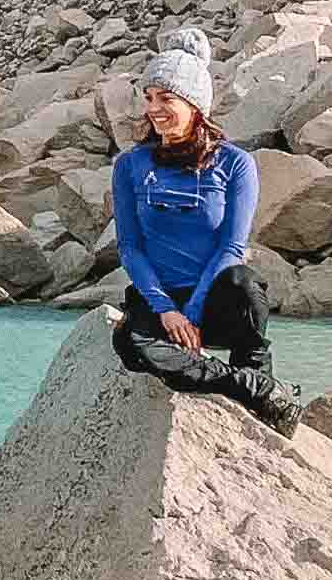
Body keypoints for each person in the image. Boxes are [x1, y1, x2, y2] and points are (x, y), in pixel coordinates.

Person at [108, 27, 300, 432]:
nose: (154, 110)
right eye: (149, 99)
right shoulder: (131, 165)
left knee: (246, 286)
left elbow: (232, 247)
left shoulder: (235, 164)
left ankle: (254, 383)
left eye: (167, 99)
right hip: (160, 302)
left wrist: (192, 311)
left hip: (214, 300)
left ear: (195, 105)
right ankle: (253, 388)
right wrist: (168, 311)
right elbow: (130, 248)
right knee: (130, 344)